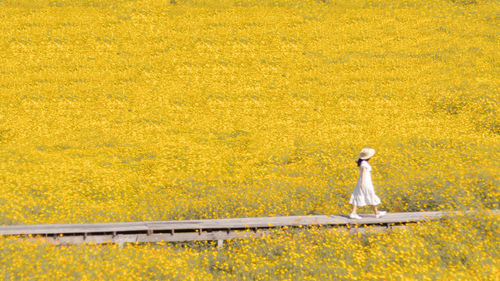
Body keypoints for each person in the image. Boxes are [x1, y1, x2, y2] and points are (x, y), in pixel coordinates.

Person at [349, 147, 387, 219]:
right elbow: (363, 173)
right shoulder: (364, 164)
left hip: (362, 181)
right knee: (370, 194)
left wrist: (359, 160)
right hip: (365, 182)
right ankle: (376, 213)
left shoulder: (362, 162)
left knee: (357, 195)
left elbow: (357, 161)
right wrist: (362, 183)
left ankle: (354, 213)